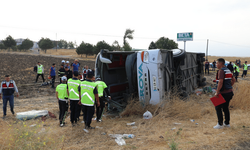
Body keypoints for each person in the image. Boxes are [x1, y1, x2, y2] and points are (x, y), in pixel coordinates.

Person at [214, 58, 235, 129]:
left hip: (223, 93)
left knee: (217, 107)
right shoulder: (228, 70)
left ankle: (220, 124)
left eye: (217, 63)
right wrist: (229, 87)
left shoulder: (221, 71)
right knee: (226, 108)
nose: (216, 65)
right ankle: (227, 123)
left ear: (221, 63)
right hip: (229, 92)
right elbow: (233, 80)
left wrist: (217, 92)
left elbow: (220, 82)